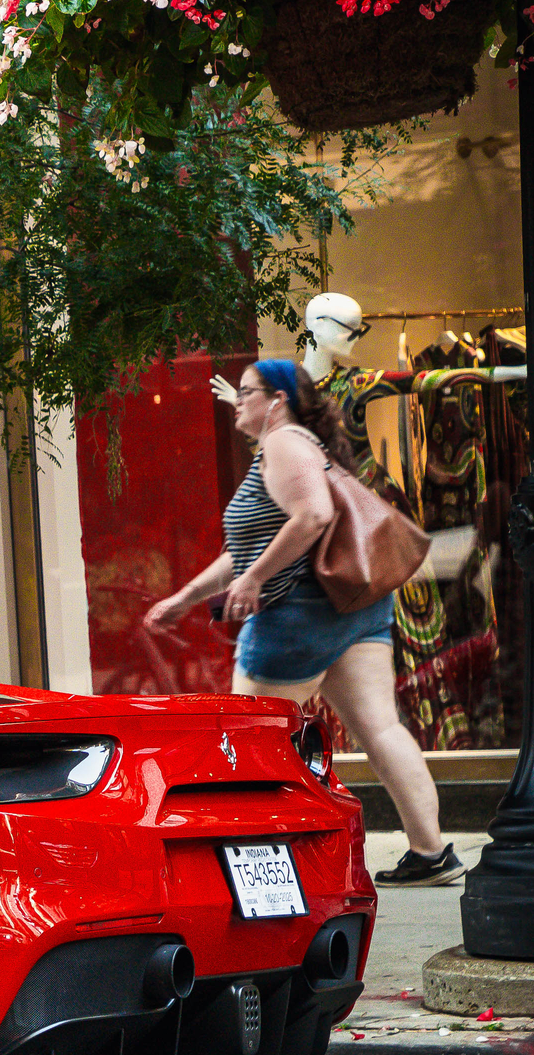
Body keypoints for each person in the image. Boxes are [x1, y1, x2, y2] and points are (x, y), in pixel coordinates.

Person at [143, 360, 457, 885]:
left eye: (248, 393)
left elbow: (312, 516)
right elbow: (244, 551)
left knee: (246, 740)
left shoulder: (286, 444)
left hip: (299, 616)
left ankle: (257, 869)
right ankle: (431, 852)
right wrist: (188, 596)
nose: (237, 402)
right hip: (352, 609)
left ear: (279, 400)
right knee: (381, 729)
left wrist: (253, 581)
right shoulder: (297, 446)